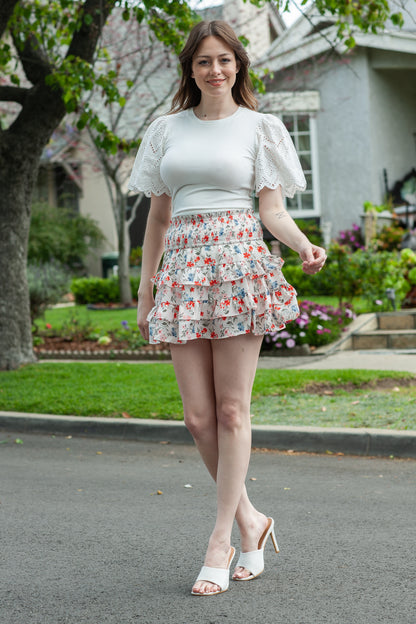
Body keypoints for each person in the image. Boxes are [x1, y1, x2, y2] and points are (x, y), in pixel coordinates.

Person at [128, 20, 326, 596]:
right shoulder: (166, 130)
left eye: (225, 60)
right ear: (190, 70)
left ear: (239, 65)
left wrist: (302, 245)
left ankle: (222, 539)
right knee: (197, 417)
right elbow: (158, 220)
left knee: (232, 410)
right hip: (184, 271)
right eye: (204, 61)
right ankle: (252, 519)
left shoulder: (260, 128)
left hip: (239, 265)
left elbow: (273, 211)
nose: (215, 69)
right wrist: (147, 289)